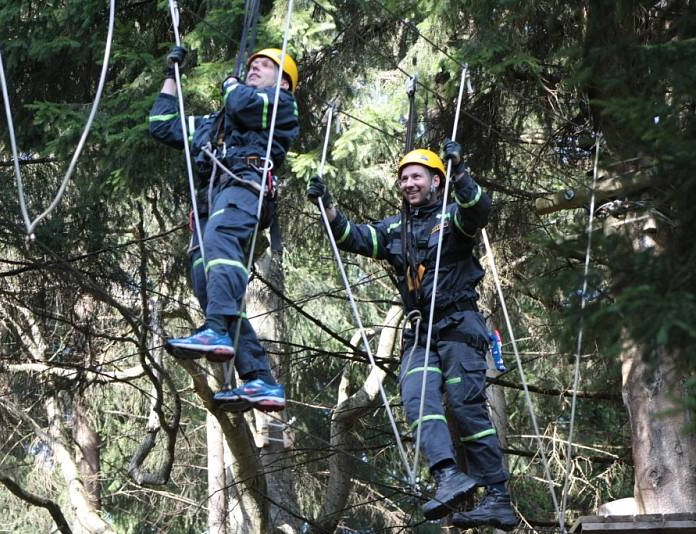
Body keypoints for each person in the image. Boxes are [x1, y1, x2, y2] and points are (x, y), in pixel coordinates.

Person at [306, 142, 519, 529]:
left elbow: (480, 211)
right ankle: (447, 475)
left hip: (457, 326)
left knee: (465, 403)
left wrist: (462, 173)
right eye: (403, 178)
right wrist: (329, 207)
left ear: (436, 181)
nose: (408, 183)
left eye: (416, 176)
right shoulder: (394, 229)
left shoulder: (453, 216)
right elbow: (353, 237)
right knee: (417, 399)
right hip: (421, 333)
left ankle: (498, 496)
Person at [149, 46, 299, 412]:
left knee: (221, 241)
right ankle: (259, 380)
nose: (253, 70)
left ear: (282, 82)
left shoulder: (279, 104)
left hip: (244, 185)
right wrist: (172, 74)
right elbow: (162, 124)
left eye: (263, 67)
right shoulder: (216, 123)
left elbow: (243, 103)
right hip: (211, 201)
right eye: (251, 67)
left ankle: (216, 328)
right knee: (203, 280)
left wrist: (232, 84)